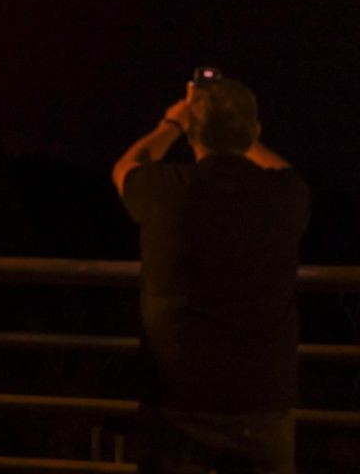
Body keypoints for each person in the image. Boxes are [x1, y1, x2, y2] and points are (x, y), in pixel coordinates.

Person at [112, 77, 310, 474]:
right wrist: (237, 130)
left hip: (177, 401)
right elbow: (285, 168)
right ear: (254, 131)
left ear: (192, 135)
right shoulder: (287, 193)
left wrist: (173, 123)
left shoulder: (166, 189)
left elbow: (124, 168)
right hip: (263, 401)